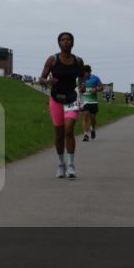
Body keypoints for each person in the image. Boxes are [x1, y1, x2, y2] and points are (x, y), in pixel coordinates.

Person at [38, 33, 85, 179]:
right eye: (63, 40)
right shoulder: (53, 60)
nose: (66, 42)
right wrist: (47, 82)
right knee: (59, 134)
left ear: (73, 43)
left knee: (69, 130)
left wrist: (82, 85)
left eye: (69, 40)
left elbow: (82, 76)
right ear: (59, 43)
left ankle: (71, 165)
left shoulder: (78, 61)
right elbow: (41, 78)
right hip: (56, 99)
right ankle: (61, 164)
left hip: (71, 99)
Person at [81, 64, 102, 142]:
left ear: (90, 72)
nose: (86, 75)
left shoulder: (95, 78)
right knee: (85, 116)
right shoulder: (80, 79)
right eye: (84, 73)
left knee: (93, 119)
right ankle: (85, 134)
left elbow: (101, 87)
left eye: (87, 73)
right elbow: (76, 88)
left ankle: (92, 129)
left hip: (93, 101)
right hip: (84, 101)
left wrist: (96, 89)